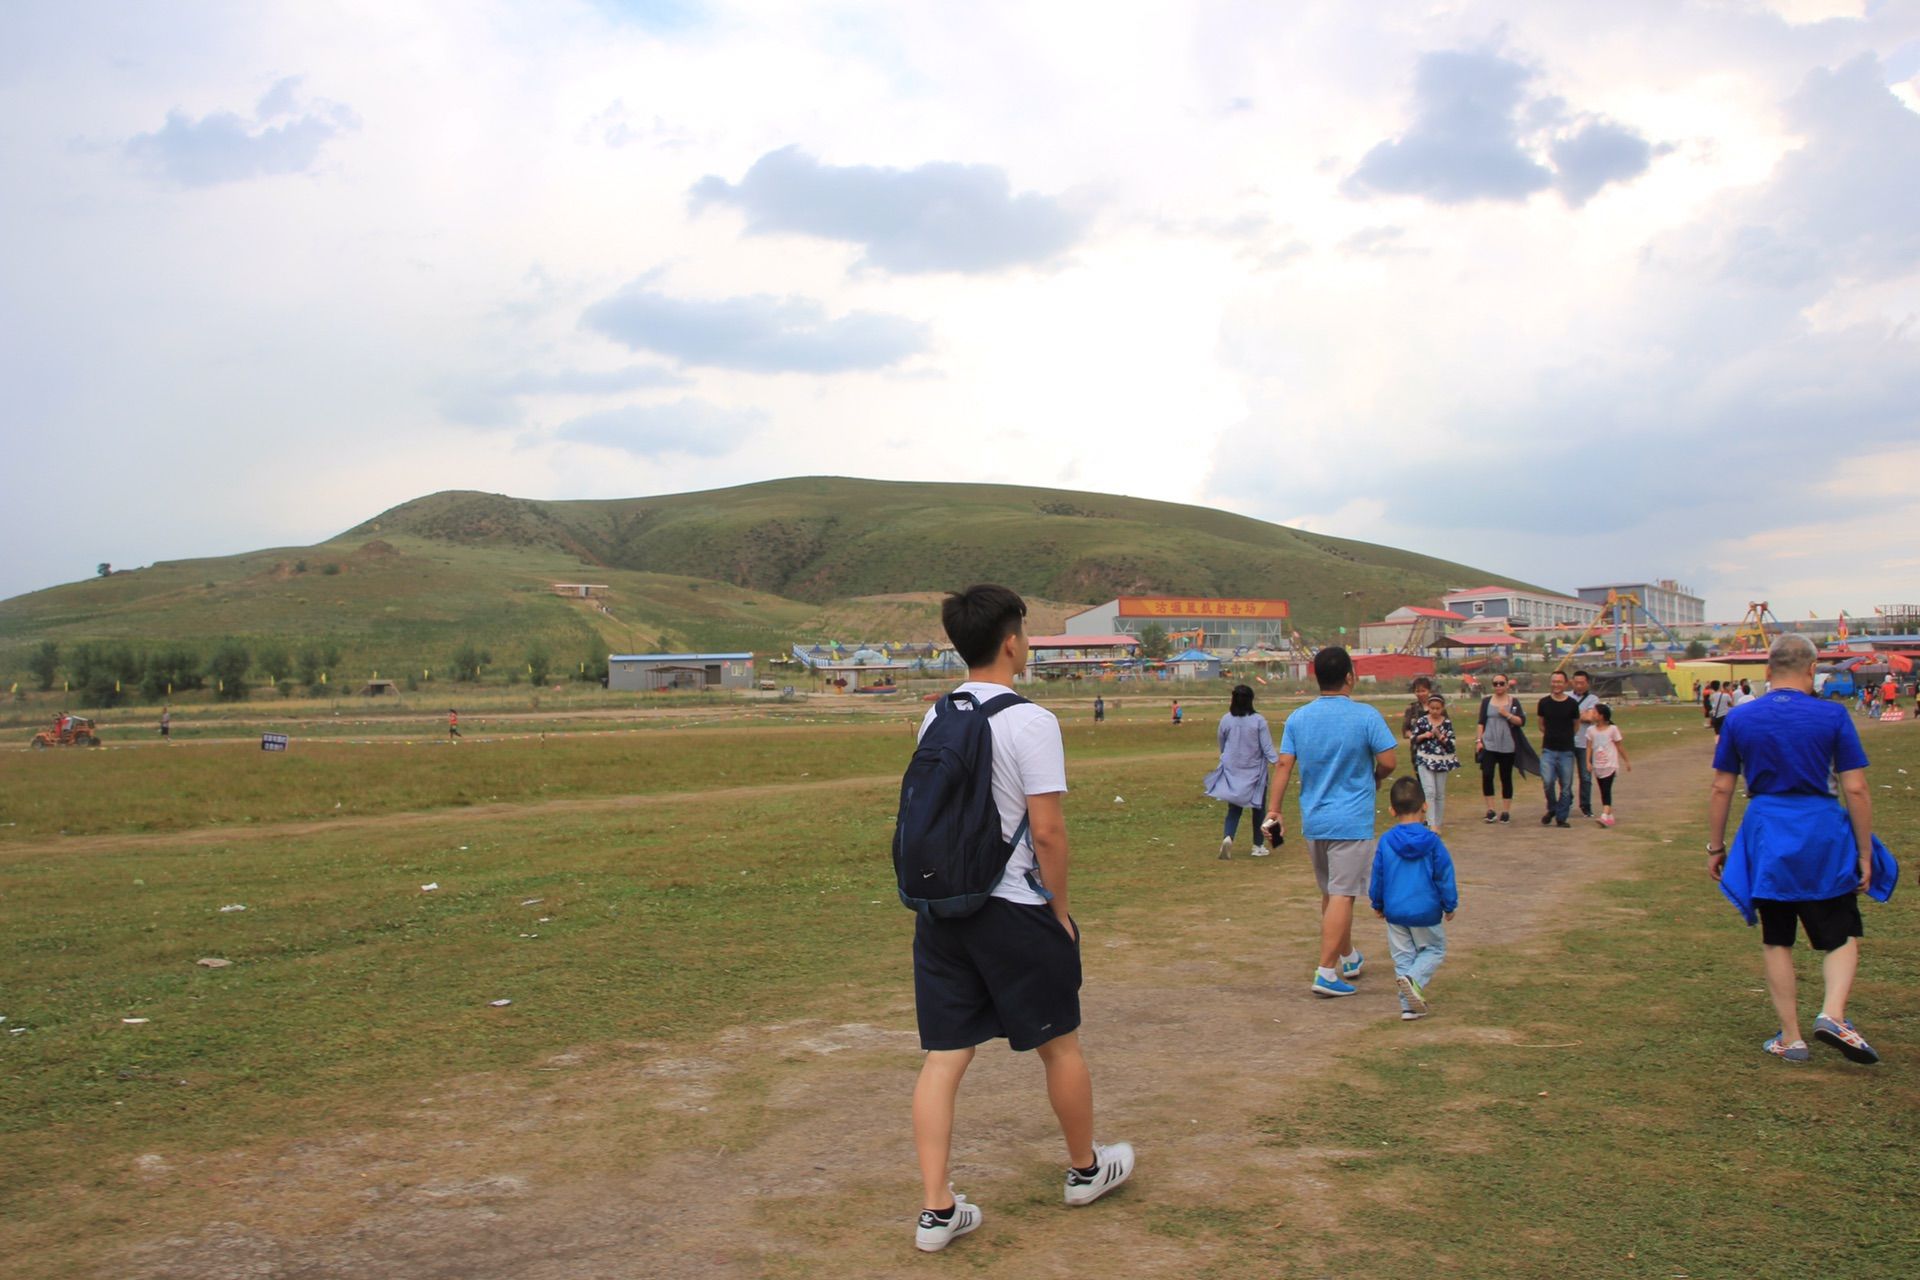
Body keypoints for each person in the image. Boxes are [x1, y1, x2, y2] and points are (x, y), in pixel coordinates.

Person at [908, 584, 1133, 1252]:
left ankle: (936, 1209)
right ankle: (1085, 1169)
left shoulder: (935, 715)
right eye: (1026, 634)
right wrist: (1059, 913)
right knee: (1058, 1042)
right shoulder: (1031, 721)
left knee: (944, 1057)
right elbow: (1048, 832)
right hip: (1013, 908)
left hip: (943, 911)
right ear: (1011, 641)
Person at [1707, 634, 1896, 1067]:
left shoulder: (1740, 719)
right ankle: (1832, 1013)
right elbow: (1856, 788)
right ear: (1813, 670)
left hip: (1767, 831)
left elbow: (1721, 786)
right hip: (1821, 831)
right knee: (1840, 931)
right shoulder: (1832, 716)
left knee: (1777, 937)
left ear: (1767, 671)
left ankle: (1791, 1038)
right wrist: (1865, 854)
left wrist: (1716, 846)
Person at [1265, 646, 1397, 998]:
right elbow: (1389, 760)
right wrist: (1376, 776)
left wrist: (1275, 809)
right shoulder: (1366, 716)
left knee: (1333, 892)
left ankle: (1348, 957)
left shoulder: (1298, 718)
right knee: (1343, 894)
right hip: (1351, 821)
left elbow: (1283, 765)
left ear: (1316, 677)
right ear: (1350, 677)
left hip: (1316, 820)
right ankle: (1325, 971)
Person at [1368, 776, 1459, 1021]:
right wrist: (1450, 904)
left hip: (1395, 910)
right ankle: (1413, 982)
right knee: (1434, 949)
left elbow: (1378, 873)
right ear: (1425, 806)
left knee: (1403, 957)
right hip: (1425, 909)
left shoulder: (1386, 841)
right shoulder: (1433, 842)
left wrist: (1377, 902)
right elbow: (1444, 875)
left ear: (1391, 810)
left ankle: (1407, 1005)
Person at [1206, 684, 1279, 860]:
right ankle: (1258, 845)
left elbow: (1222, 743)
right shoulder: (1258, 720)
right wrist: (1279, 763)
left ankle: (1228, 837)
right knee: (1258, 808)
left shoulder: (1226, 719)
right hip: (1254, 771)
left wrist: (1226, 758)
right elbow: (1267, 747)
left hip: (1233, 770)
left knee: (1234, 808)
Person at [1475, 675, 1534, 824]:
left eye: (1502, 683)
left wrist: (1507, 714)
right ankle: (1490, 810)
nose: (1498, 686)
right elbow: (1481, 722)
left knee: (1505, 777)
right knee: (1487, 774)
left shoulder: (1513, 702)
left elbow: (1521, 721)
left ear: (1507, 685)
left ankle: (1506, 811)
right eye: (1495, 683)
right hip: (1489, 743)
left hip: (1507, 745)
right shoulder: (1487, 701)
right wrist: (1479, 741)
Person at [1407, 692, 1459, 833]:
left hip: (1442, 761)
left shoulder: (1446, 723)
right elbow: (1413, 738)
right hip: (1425, 759)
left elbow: (1452, 743)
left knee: (1439, 793)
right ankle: (1432, 824)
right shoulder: (1422, 721)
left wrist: (1440, 736)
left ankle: (1439, 822)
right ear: (1428, 707)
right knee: (1429, 791)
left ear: (1442, 708)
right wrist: (1424, 735)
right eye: (1432, 708)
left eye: (1438, 708)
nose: (1435, 711)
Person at [1536, 671, 1583, 828]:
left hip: (1566, 751)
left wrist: (1567, 737)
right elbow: (1541, 723)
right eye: (1554, 681)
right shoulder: (1544, 703)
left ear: (1566, 683)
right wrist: (1550, 735)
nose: (1556, 684)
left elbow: (1576, 724)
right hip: (1548, 749)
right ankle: (1552, 808)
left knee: (1566, 786)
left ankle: (1561, 817)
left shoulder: (1572, 704)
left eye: (1559, 682)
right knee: (1548, 781)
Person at [1585, 703, 1630, 827]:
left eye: (1594, 712)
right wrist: (1588, 762)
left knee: (1606, 789)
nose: (1592, 714)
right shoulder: (1590, 730)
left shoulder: (1612, 729)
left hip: (1610, 764)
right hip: (1598, 765)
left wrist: (1626, 761)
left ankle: (1604, 815)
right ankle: (1609, 816)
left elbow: (1619, 746)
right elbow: (1588, 747)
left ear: (1602, 715)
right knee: (1602, 789)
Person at [1571, 670, 1599, 818]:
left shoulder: (1593, 699)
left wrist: (1572, 713)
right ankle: (1565, 802)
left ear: (1587, 683)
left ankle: (1585, 805)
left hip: (1585, 743)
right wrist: (1581, 713)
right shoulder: (1567, 696)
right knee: (1565, 776)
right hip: (1567, 742)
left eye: (1582, 683)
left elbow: (1590, 718)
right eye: (1576, 682)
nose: (1579, 685)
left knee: (1586, 776)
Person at [1400, 676, 1435, 755]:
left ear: (1429, 691)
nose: (1420, 694)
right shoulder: (1411, 708)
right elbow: (1405, 731)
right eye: (1417, 691)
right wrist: (1414, 737)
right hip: (1417, 750)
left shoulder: (1437, 707)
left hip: (1436, 749)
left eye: (1423, 691)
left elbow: (1446, 727)